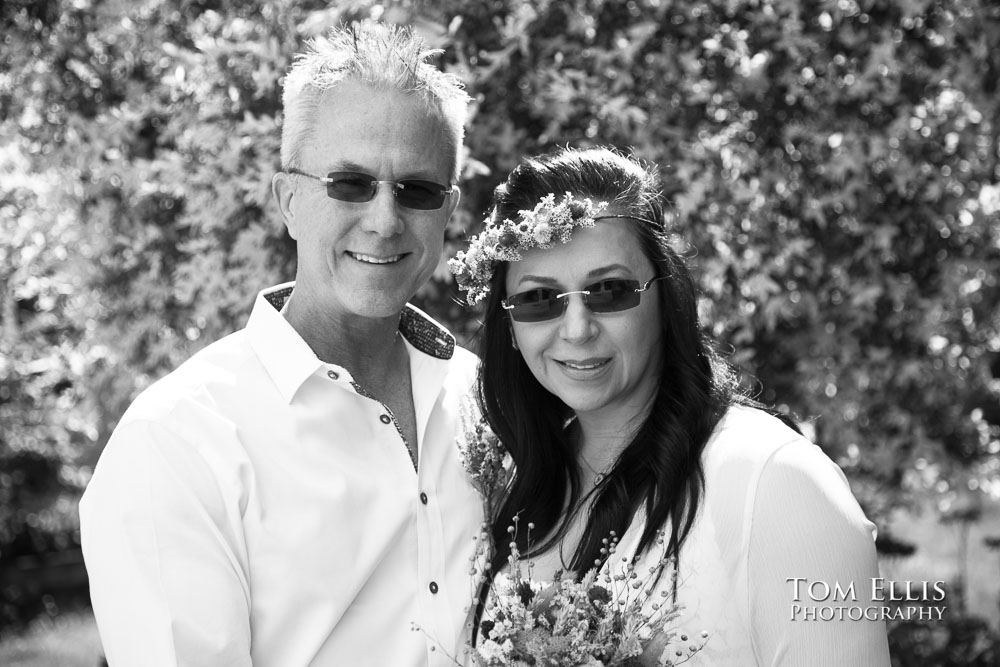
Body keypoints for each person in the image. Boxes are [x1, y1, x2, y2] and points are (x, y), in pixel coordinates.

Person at [80, 21, 482, 666]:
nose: (384, 220)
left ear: (449, 211)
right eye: (349, 183)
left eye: (418, 190)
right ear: (289, 200)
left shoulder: (487, 402)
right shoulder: (177, 442)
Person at [449, 147, 891, 665]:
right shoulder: (516, 491)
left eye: (609, 290)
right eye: (539, 298)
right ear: (509, 322)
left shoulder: (772, 483)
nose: (576, 329)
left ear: (667, 294)